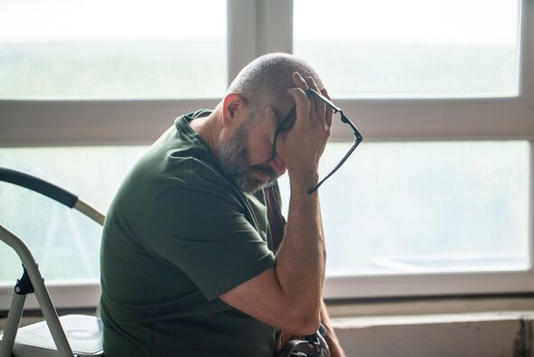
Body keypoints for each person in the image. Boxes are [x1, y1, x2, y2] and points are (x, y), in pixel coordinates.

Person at [99, 53, 345, 357]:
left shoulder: (243, 156)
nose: (282, 167)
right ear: (232, 109)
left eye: (292, 151)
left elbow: (292, 261)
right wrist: (305, 171)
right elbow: (299, 314)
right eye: (278, 145)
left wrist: (332, 347)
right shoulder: (182, 189)